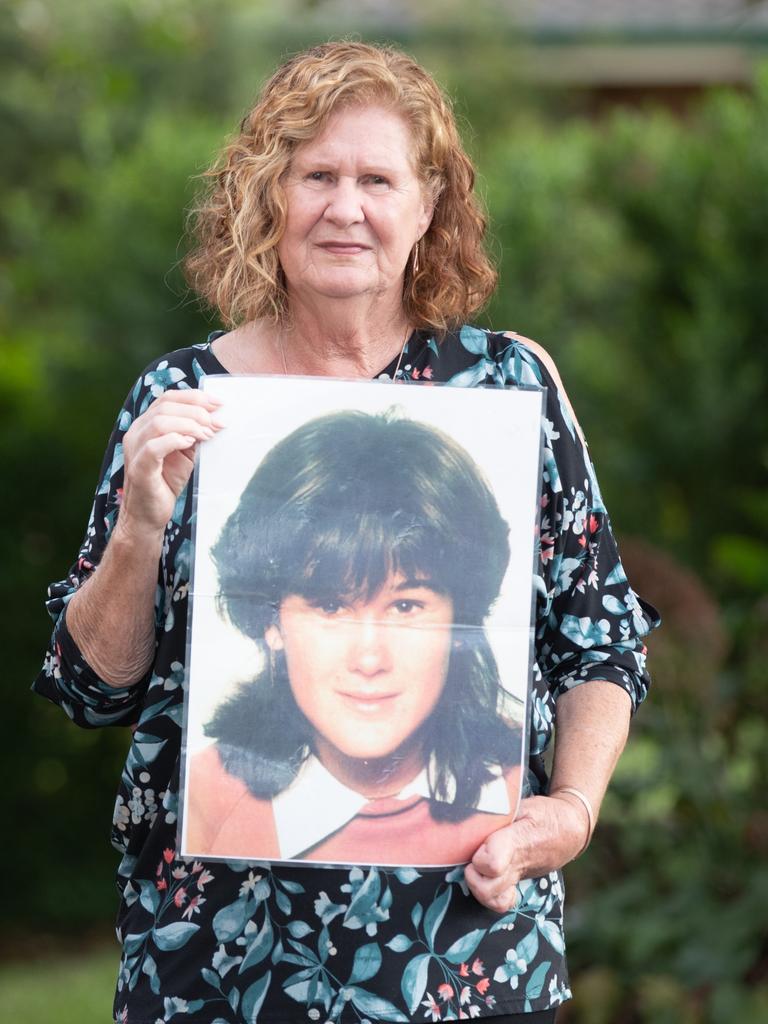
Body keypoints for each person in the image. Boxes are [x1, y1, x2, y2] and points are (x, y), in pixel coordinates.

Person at [33, 40, 659, 1024]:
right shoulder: (182, 400)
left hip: (464, 950)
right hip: (214, 966)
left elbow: (601, 639)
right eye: (315, 175)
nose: (345, 206)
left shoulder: (510, 389)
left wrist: (570, 811)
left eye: (377, 178)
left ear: (428, 206)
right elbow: (90, 686)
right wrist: (139, 531)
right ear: (268, 198)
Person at [184, 409, 524, 865]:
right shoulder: (203, 796)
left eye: (406, 606)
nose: (369, 659)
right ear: (271, 621)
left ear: (459, 619)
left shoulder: (526, 782)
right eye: (330, 606)